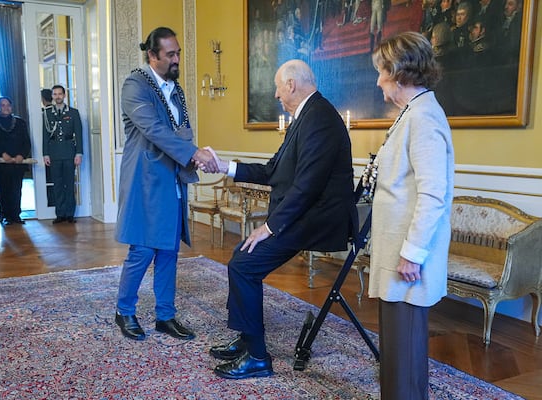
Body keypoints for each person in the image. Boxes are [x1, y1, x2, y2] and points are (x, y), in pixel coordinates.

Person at [204, 59, 357, 379]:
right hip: (303, 214)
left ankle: (258, 358)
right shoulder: (306, 117)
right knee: (241, 258)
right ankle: (248, 340)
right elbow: (273, 170)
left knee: (244, 265)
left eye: (278, 87)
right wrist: (225, 167)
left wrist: (269, 226)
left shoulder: (321, 118)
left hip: (314, 218)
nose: (275, 95)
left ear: (291, 85)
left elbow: (308, 186)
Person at [113, 27, 218, 342]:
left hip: (173, 180)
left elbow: (180, 131)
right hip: (146, 181)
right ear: (152, 55)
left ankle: (165, 316)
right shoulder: (135, 85)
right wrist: (193, 153)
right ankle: (124, 311)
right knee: (143, 250)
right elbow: (154, 129)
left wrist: (197, 155)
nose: (176, 60)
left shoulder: (176, 89)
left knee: (169, 251)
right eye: (170, 54)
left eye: (178, 53)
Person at [369, 32, 454, 399]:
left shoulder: (422, 118)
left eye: (381, 72)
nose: (378, 81)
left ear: (400, 72)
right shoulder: (412, 113)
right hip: (398, 251)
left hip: (407, 257)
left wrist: (412, 253)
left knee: (403, 349)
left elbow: (433, 193)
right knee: (397, 348)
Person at [42, 84, 83, 224]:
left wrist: (79, 153)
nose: (57, 96)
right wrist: (45, 154)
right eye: (55, 94)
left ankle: (70, 213)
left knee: (69, 184)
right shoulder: (47, 113)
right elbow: (45, 135)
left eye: (60, 94)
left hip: (69, 151)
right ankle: (60, 213)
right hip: (54, 152)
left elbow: (78, 134)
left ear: (64, 95)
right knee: (57, 185)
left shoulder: (73, 112)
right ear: (52, 96)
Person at [0, 96, 31, 225]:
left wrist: (21, 155)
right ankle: (5, 215)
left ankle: (16, 215)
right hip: (2, 163)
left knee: (17, 189)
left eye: (8, 105)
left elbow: (26, 142)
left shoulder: (20, 122)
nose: (6, 107)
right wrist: (2, 154)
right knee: (3, 189)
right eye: (3, 105)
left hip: (18, 162)